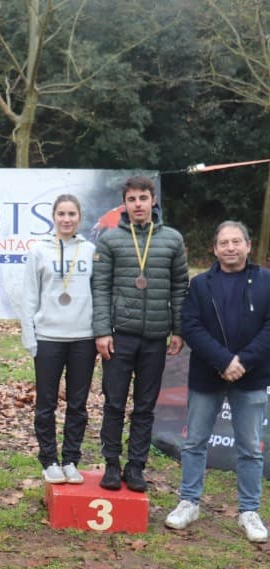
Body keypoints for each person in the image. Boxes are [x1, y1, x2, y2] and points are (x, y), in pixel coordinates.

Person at [165, 221, 270, 542]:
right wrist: (224, 361)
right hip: (207, 375)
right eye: (224, 243)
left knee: (250, 448)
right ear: (215, 249)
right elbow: (191, 326)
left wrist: (243, 361)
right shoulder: (200, 285)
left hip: (251, 377)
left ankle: (249, 511)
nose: (230, 247)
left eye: (236, 241)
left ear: (248, 245)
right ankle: (189, 502)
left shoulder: (266, 281)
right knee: (195, 442)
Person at [92, 175, 188, 491]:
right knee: (114, 404)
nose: (138, 204)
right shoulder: (109, 240)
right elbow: (100, 287)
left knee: (145, 407)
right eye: (131, 199)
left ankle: (135, 466)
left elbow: (180, 287)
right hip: (119, 336)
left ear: (153, 200)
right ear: (124, 204)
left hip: (155, 337)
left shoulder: (172, 239)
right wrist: (102, 330)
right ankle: (111, 464)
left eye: (143, 198)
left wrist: (178, 329)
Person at [20, 194, 97, 484]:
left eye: (72, 214)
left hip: (83, 338)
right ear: (53, 217)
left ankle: (71, 460)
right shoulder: (38, 250)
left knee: (78, 404)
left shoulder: (90, 250)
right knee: (46, 403)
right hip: (48, 337)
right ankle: (49, 459)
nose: (66, 219)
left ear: (79, 218)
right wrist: (30, 336)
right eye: (61, 214)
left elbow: (98, 293)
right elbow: (29, 296)